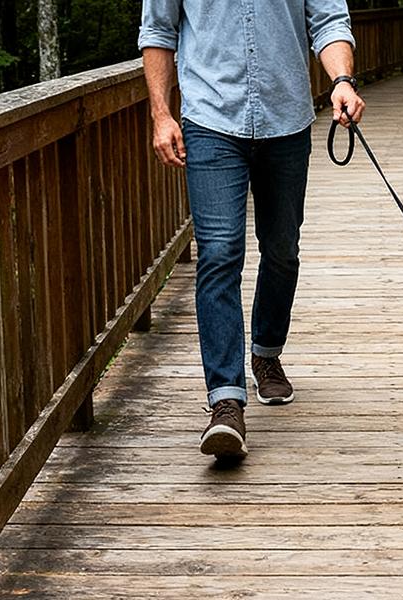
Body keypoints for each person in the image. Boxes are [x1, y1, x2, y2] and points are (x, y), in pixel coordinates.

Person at [139, 0, 365, 460]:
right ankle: (226, 400)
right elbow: (158, 32)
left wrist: (341, 80)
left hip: (287, 118)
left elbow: (328, 20)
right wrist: (161, 115)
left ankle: (265, 350)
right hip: (210, 120)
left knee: (282, 249)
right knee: (219, 252)